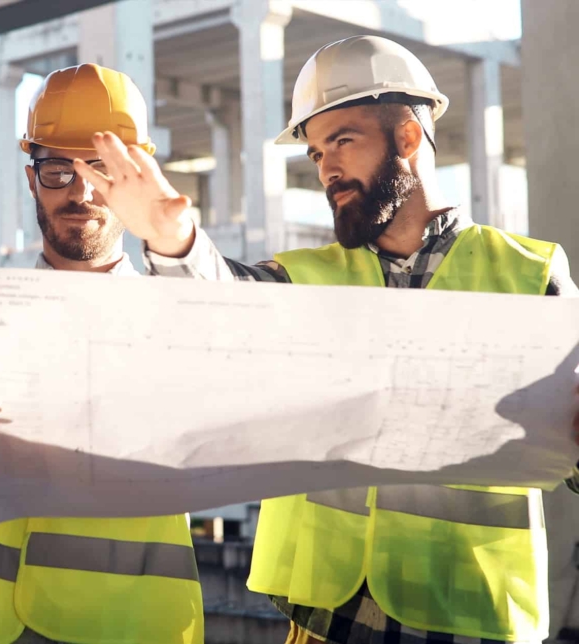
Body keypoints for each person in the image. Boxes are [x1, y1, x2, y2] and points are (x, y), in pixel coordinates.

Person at [74, 35, 579, 644]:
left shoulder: (529, 275)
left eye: (342, 141)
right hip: (323, 621)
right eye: (315, 154)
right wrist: (172, 238)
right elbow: (224, 304)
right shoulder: (307, 278)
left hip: (467, 617)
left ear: (408, 138)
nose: (326, 168)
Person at [0, 63, 204, 644]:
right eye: (59, 170)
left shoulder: (180, 315)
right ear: (32, 179)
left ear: (132, 176)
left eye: (100, 171)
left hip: (140, 625)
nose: (80, 192)